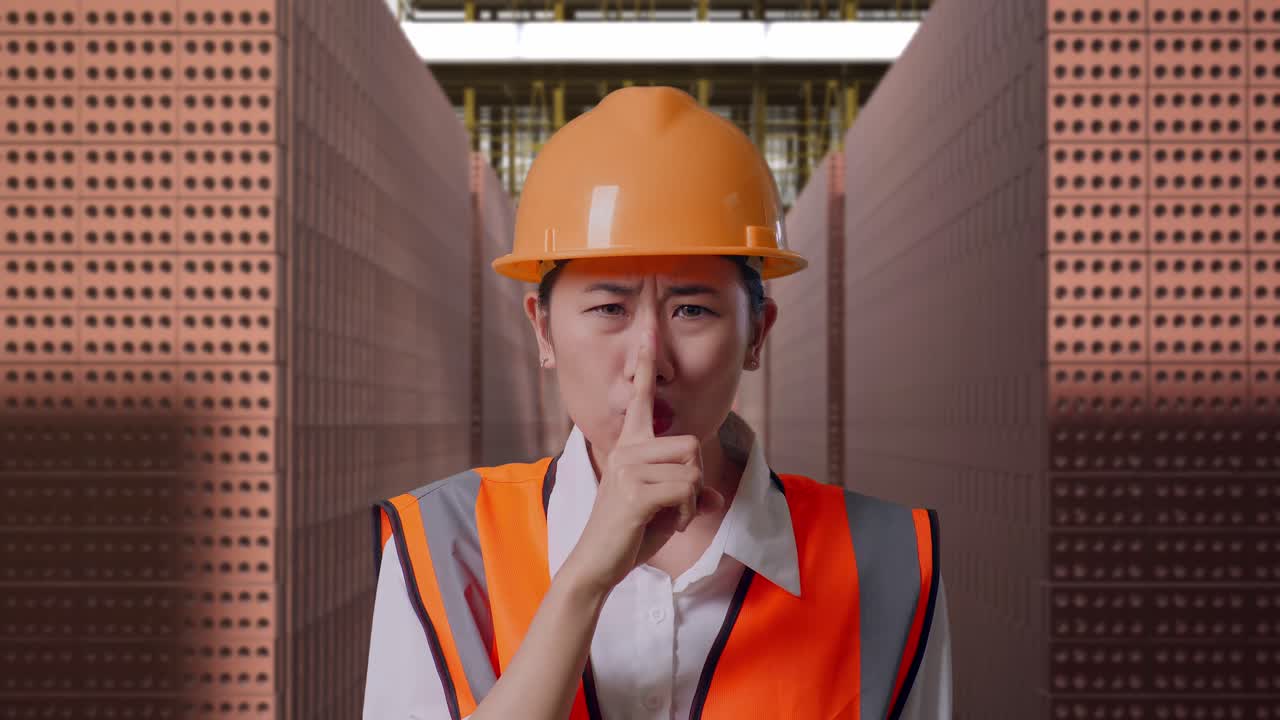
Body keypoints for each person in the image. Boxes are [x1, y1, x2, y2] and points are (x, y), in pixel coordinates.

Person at [362, 85, 951, 720]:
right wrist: (586, 579)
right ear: (543, 331)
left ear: (756, 333)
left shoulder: (889, 556)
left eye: (692, 310)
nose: (650, 361)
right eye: (609, 308)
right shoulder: (446, 544)